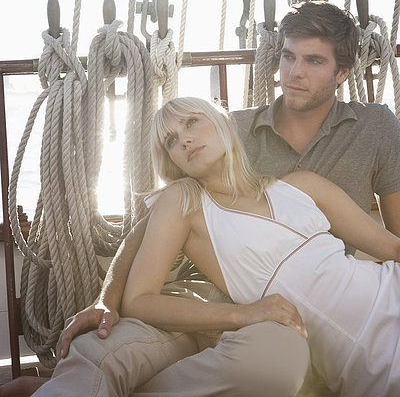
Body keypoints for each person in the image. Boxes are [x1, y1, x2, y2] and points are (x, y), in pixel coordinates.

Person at [4, 1, 400, 396]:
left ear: (343, 72)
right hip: (202, 294)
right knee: (101, 349)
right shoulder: (228, 132)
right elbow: (146, 231)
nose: (294, 72)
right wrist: (107, 300)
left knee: (278, 362)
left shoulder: (364, 135)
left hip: (301, 317)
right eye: (287, 57)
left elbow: (391, 244)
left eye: (313, 61)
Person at [75, 97, 400, 395]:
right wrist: (243, 314)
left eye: (191, 122)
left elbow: (391, 249)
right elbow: (138, 300)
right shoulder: (184, 204)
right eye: (171, 141)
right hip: (368, 362)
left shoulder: (303, 185)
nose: (184, 138)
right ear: (173, 163)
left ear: (226, 124)